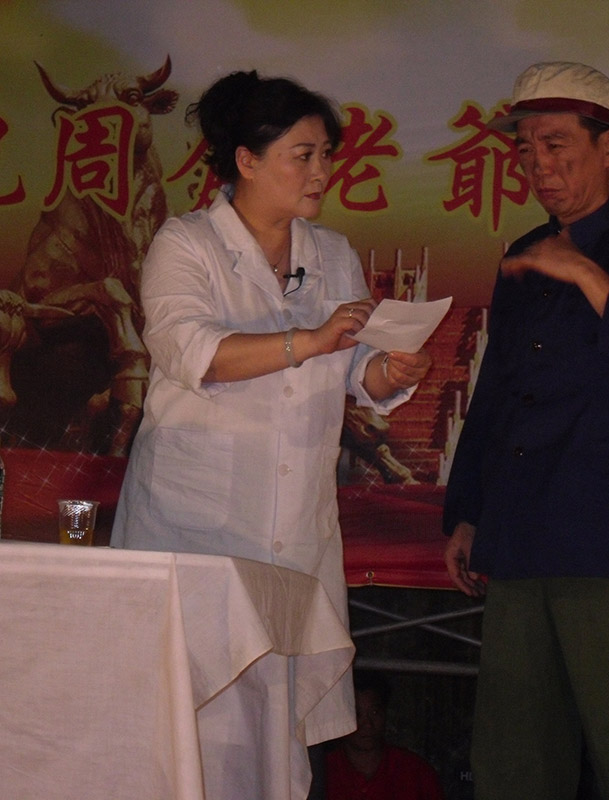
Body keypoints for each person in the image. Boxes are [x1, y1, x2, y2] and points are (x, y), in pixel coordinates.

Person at [110, 70, 431, 796]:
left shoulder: (332, 253)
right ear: (246, 161)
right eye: (303, 155)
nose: (321, 172)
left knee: (274, 743)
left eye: (326, 155)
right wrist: (310, 342)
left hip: (294, 533)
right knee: (190, 732)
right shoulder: (186, 244)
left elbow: (359, 372)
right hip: (195, 526)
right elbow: (191, 352)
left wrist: (391, 369)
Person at [443, 61, 609, 800]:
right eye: (526, 148)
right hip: (520, 538)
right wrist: (468, 511)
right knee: (515, 764)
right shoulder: (525, 253)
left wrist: (588, 275)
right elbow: (497, 393)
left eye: (556, 144)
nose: (538, 165)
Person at [325, 670, 446, 800]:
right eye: (357, 714)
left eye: (374, 712)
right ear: (341, 717)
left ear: (385, 713)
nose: (368, 724)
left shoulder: (416, 772)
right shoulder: (323, 772)